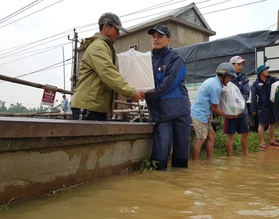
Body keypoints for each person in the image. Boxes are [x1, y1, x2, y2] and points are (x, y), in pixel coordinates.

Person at [71, 12, 144, 121]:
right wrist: (131, 92)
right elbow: (109, 74)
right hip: (88, 106)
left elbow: (113, 75)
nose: (118, 33)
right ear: (106, 25)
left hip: (96, 106)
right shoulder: (98, 47)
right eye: (116, 29)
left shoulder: (107, 47)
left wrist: (131, 91)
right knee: (87, 137)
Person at [145, 24, 191, 170]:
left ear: (168, 40)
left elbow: (170, 83)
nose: (155, 39)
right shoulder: (148, 60)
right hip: (161, 112)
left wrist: (150, 95)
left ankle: (179, 183)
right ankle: (158, 182)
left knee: (182, 149)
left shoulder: (175, 57)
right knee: (162, 147)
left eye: (160, 36)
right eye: (153, 36)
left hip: (180, 111)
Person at [191, 62, 238, 160]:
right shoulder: (216, 86)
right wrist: (228, 116)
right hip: (199, 115)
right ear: (224, 76)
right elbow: (214, 108)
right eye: (230, 77)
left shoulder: (214, 81)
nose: (230, 80)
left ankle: (210, 160)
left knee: (211, 135)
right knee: (201, 139)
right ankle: (195, 164)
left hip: (202, 114)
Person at [250, 65, 279, 150]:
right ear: (261, 73)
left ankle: (272, 140)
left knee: (272, 123)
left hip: (272, 105)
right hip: (262, 106)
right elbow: (253, 96)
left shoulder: (272, 79)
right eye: (265, 70)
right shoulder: (256, 84)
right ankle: (262, 143)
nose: (267, 71)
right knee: (261, 124)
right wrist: (253, 108)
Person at [224, 56, 250, 157]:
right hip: (229, 111)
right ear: (232, 65)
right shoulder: (225, 77)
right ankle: (228, 158)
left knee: (245, 134)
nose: (241, 67)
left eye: (242, 64)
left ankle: (245, 155)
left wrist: (239, 105)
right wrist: (232, 106)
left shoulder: (244, 78)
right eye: (238, 64)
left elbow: (246, 92)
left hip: (242, 111)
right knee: (230, 136)